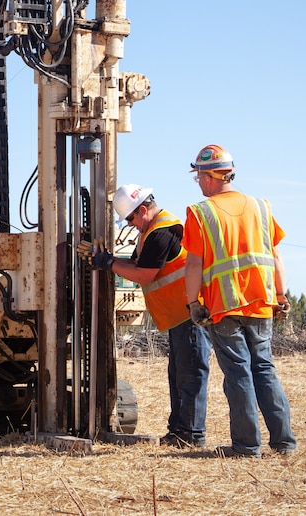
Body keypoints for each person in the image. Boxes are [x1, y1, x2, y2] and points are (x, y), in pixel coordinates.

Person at [183, 144, 297, 458]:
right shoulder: (261, 206)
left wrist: (193, 303)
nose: (199, 183)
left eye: (199, 177)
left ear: (209, 177)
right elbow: (275, 256)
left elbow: (193, 264)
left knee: (239, 374)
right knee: (264, 369)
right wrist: (281, 294)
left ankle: (247, 446)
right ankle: (284, 443)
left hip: (224, 307)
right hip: (261, 302)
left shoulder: (200, 213)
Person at [83, 183, 211, 448]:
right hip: (177, 316)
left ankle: (192, 434)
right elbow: (136, 264)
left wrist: (109, 264)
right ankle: (178, 431)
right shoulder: (148, 233)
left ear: (143, 209)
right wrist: (108, 258)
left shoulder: (163, 231)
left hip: (189, 314)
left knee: (191, 375)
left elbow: (144, 275)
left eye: (130, 218)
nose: (130, 224)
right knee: (178, 376)